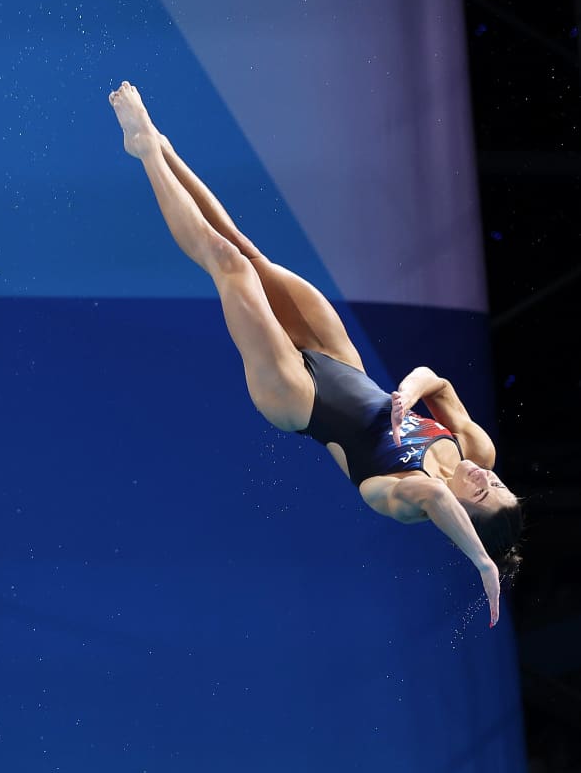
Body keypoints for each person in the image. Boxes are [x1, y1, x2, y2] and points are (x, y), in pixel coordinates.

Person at [108, 81, 523, 627]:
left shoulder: (403, 500)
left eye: (482, 495)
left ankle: (142, 151)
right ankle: (162, 144)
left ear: (466, 518)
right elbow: (439, 383)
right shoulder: (478, 449)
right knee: (248, 248)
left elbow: (438, 500)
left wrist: (484, 565)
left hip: (296, 399)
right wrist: (410, 392)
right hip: (344, 364)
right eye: (496, 484)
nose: (483, 479)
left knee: (226, 262)